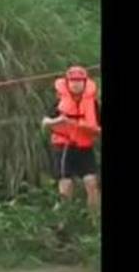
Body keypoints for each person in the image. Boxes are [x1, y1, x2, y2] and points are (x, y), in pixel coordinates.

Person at [42, 66, 102, 211]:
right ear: (67, 83)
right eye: (73, 81)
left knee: (92, 183)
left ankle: (94, 220)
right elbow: (45, 123)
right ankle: (61, 222)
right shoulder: (59, 102)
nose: (76, 84)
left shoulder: (92, 104)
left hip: (84, 147)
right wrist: (60, 121)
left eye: (79, 81)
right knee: (66, 185)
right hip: (64, 147)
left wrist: (83, 126)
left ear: (85, 82)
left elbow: (99, 129)